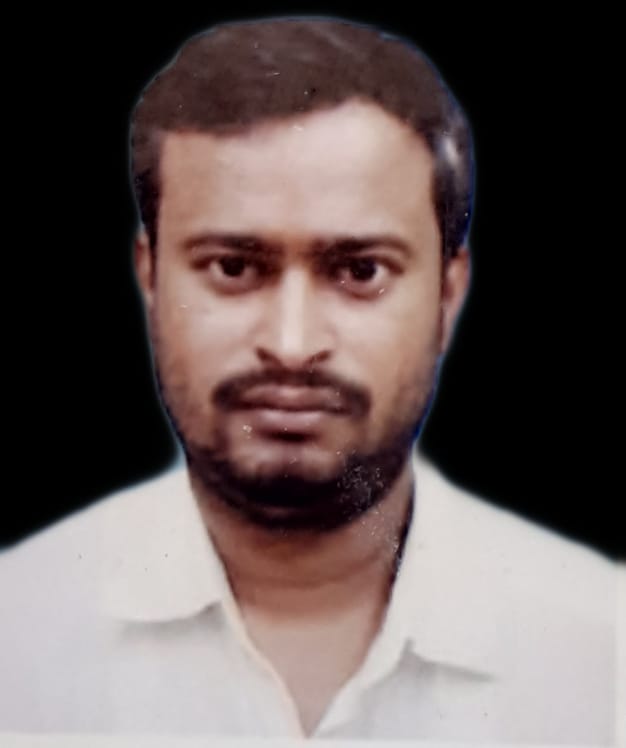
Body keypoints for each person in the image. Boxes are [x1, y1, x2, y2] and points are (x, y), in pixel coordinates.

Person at [0, 17, 619, 743]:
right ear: (150, 278)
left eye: (360, 271)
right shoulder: (17, 633)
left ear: (449, 295)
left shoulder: (603, 656)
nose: (291, 346)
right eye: (233, 267)